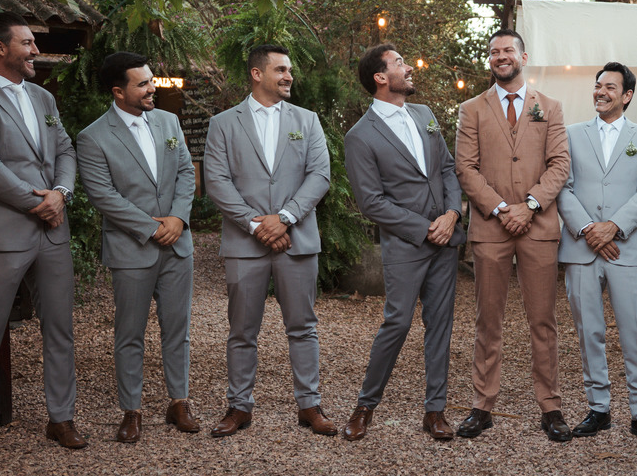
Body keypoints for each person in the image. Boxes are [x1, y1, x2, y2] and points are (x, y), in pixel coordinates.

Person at [0, 12, 84, 466]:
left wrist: (60, 194)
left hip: (52, 230)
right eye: (27, 43)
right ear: (0, 47)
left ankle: (61, 418)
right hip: (3, 234)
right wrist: (36, 203)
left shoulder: (43, 97)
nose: (35, 51)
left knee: (60, 328)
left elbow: (65, 150)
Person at [202, 44, 337, 437]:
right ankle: (239, 407)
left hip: (297, 239)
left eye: (289, 70)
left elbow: (319, 175)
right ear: (257, 74)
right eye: (280, 69)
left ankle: (309, 405)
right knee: (242, 330)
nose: (288, 76)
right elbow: (216, 181)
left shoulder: (307, 120)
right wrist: (256, 226)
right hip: (244, 243)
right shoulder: (223, 124)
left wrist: (286, 218)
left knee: (303, 326)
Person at [341, 45, 465, 442]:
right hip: (406, 244)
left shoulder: (424, 115)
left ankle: (435, 411)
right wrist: (426, 228)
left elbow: (447, 168)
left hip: (446, 240)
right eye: (399, 63)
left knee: (440, 325)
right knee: (396, 322)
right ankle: (365, 407)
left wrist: (452, 214)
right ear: (380, 77)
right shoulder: (360, 136)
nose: (408, 67)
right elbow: (371, 202)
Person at [454, 29, 573, 442]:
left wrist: (531, 206)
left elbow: (560, 164)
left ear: (523, 57)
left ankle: (551, 406)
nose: (500, 56)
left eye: (507, 50)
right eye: (494, 52)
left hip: (538, 227)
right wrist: (502, 209)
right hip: (491, 227)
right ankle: (482, 405)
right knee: (488, 319)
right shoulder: (471, 109)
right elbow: (465, 168)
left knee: (543, 319)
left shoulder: (550, 107)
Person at [76, 52, 200, 443]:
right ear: (118, 91)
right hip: (131, 249)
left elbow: (186, 172)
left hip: (178, 245)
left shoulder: (169, 122)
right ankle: (132, 410)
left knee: (178, 328)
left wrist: (178, 218)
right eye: (143, 83)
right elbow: (103, 196)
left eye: (151, 80)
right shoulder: (93, 137)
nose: (152, 89)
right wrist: (151, 228)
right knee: (130, 333)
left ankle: (179, 401)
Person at [556, 62, 637, 444]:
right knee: (588, 331)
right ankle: (598, 408)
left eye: (610, 86)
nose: (601, 91)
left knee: (635, 329)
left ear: (627, 95)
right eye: (598, 85)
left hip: (624, 249)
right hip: (581, 248)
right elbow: (562, 187)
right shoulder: (570, 134)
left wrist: (613, 227)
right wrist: (588, 229)